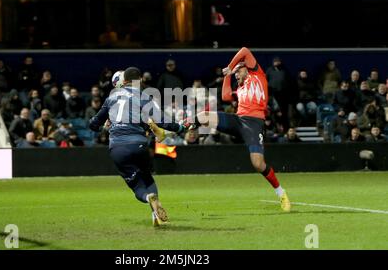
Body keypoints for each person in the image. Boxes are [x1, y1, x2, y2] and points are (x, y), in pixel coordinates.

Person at [187, 47, 291, 212]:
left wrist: (230, 66)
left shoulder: (258, 74)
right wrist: (228, 75)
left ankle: (281, 192)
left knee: (258, 164)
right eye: (235, 72)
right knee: (203, 116)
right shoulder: (240, 88)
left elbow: (244, 50)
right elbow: (226, 97)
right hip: (238, 120)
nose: (236, 74)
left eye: (238, 71)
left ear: (246, 68)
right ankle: (177, 127)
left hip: (254, 124)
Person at [88, 67, 186, 227]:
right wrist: (180, 128)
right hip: (139, 144)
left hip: (117, 147)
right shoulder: (144, 97)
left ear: (121, 82)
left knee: (136, 185)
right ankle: (155, 213)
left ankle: (148, 198)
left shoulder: (111, 98)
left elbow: (93, 124)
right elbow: (163, 121)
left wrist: (103, 125)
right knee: (147, 177)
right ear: (138, 80)